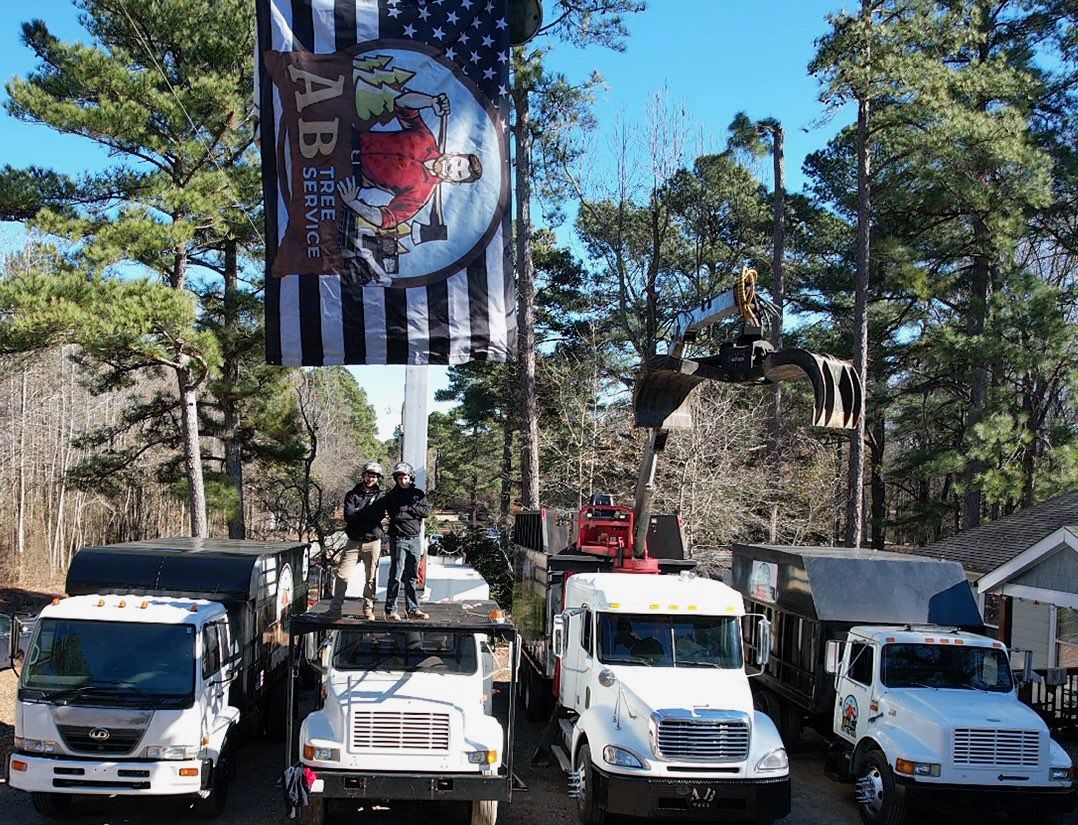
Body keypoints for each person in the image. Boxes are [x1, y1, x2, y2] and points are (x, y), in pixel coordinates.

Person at [378, 461, 432, 621]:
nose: (403, 480)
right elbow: (397, 515)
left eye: (406, 477)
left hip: (415, 540)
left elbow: (426, 511)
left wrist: (409, 508)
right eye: (400, 478)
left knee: (412, 576)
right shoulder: (392, 495)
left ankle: (413, 609)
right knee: (395, 575)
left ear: (411, 478)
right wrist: (412, 511)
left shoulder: (418, 494)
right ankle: (391, 610)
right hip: (398, 539)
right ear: (396, 479)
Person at [331, 460, 385, 620]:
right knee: (341, 575)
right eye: (369, 475)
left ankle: (368, 609)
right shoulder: (351, 495)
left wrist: (359, 513)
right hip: (353, 541)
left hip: (373, 542)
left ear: (378, 478)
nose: (371, 478)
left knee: (371, 577)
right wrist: (367, 514)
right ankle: (335, 608)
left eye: (374, 476)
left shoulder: (381, 497)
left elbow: (378, 517)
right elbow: (349, 517)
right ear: (363, 475)